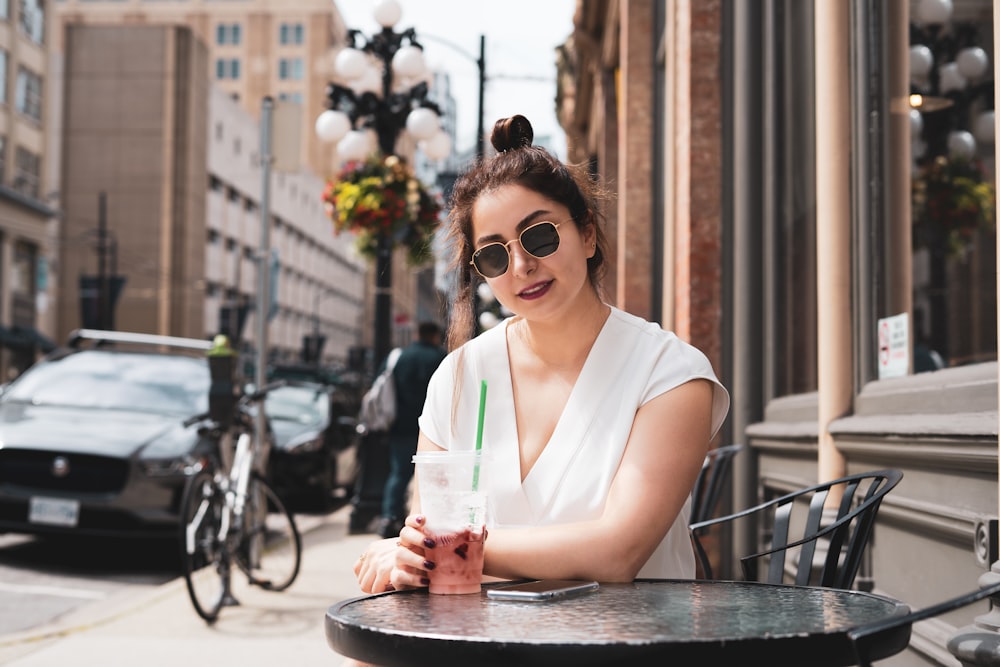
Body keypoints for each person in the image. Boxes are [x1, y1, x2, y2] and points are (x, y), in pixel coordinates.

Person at [352, 113, 729, 616]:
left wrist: (452, 546)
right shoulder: (459, 378)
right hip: (488, 644)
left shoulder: (669, 373)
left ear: (588, 236)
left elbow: (618, 552)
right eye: (492, 256)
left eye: (541, 237)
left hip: (629, 646)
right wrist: (406, 561)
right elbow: (425, 533)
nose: (522, 266)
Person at [373, 321, 447, 538]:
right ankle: (431, 523)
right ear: (434, 336)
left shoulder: (399, 357)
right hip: (434, 428)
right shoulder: (441, 358)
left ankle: (389, 517)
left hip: (401, 425)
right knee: (435, 478)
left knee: (399, 474)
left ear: (416, 335)